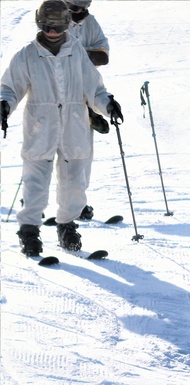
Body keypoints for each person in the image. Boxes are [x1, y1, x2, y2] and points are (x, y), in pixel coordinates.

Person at [0, 0, 122, 257]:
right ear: (39, 23)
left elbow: (95, 88)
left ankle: (67, 226)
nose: (52, 32)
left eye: (57, 26)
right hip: (40, 127)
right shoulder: (27, 55)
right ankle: (29, 230)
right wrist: (4, 105)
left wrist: (107, 105)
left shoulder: (77, 53)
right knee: (35, 183)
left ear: (66, 24)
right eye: (47, 26)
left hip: (74, 126)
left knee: (75, 184)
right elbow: (10, 88)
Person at [67, 0, 111, 220]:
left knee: (84, 155)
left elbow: (103, 54)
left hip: (84, 91)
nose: (81, 13)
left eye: (84, 8)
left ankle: (79, 203)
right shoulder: (54, 21)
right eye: (76, 8)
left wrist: (80, 55)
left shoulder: (90, 23)